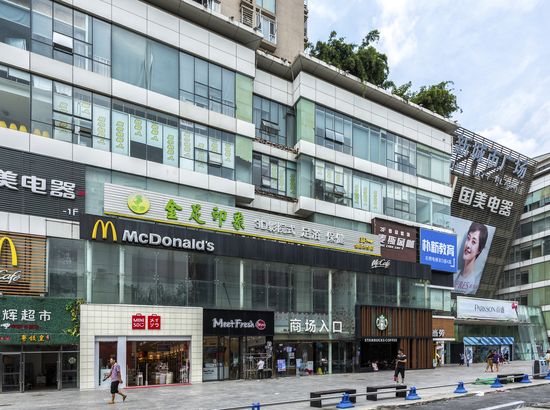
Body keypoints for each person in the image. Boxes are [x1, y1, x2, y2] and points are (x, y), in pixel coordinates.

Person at [454, 223, 489, 295]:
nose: (468, 245)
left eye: (473, 242)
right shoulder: (455, 274)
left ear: (479, 250)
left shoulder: (472, 286)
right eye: (468, 238)